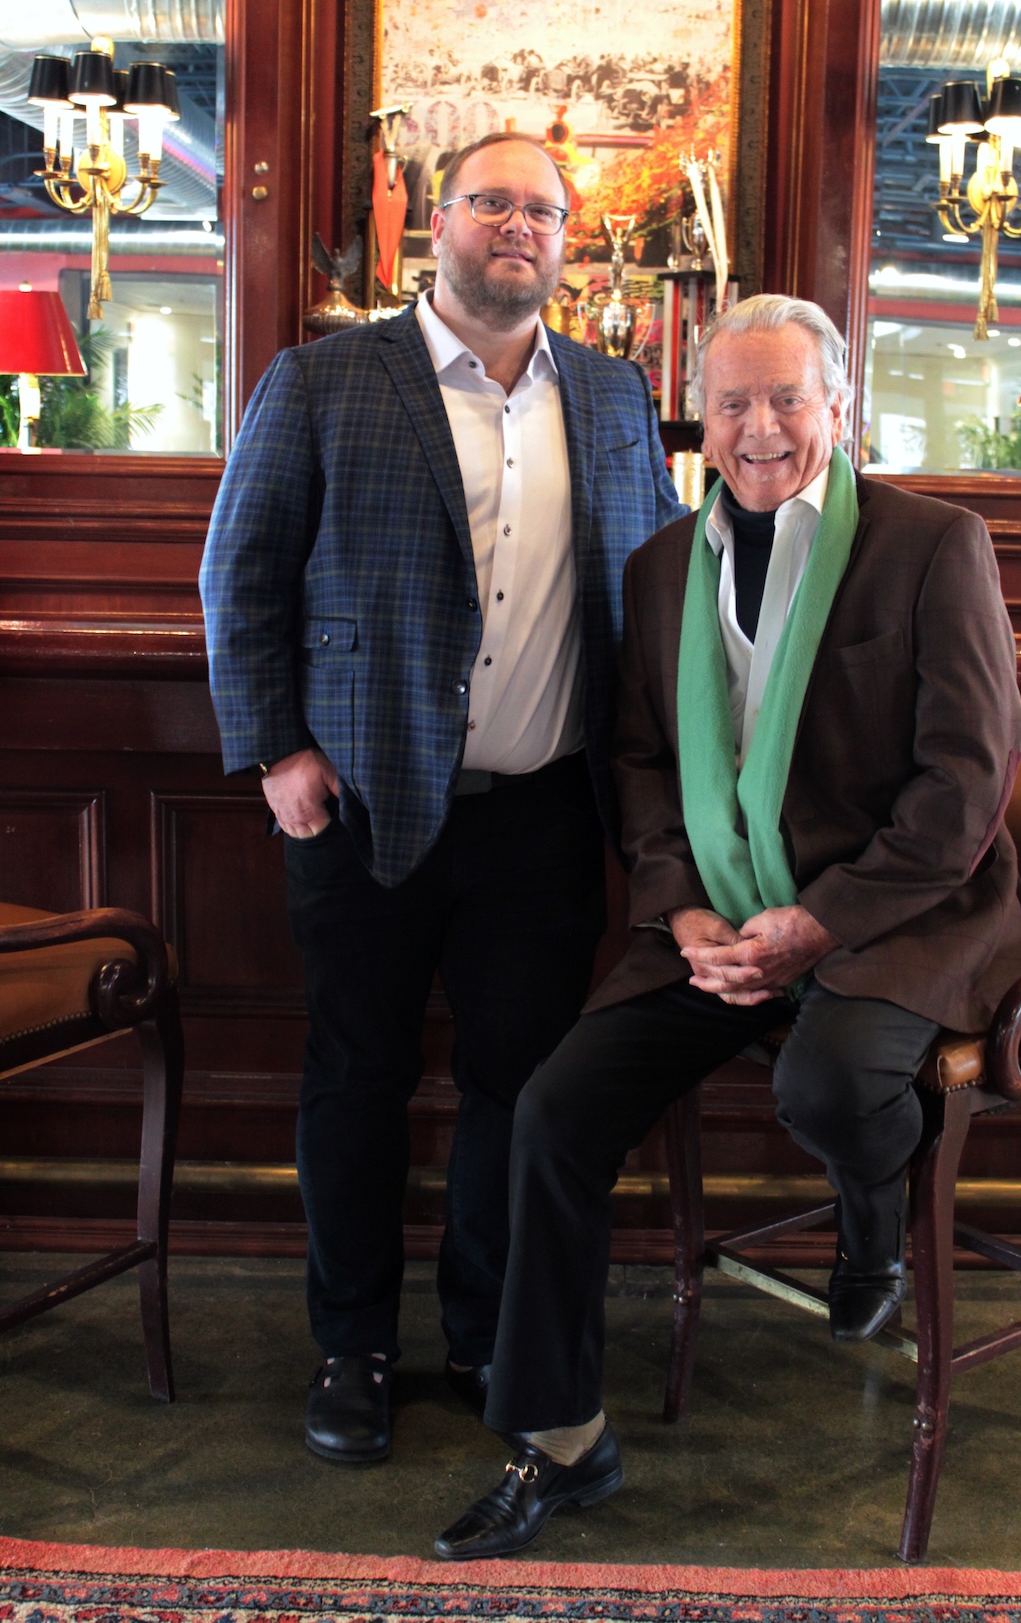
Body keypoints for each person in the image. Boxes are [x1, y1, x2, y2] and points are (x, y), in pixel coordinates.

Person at [434, 293, 1021, 1560]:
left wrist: (820, 923)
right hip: (715, 912)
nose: (759, 428)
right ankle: (561, 1439)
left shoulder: (935, 545)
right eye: (731, 404)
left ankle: (872, 1210)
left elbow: (964, 786)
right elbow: (639, 762)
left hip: (897, 908)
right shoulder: (661, 567)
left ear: (838, 407)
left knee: (829, 1086)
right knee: (553, 1111)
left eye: (786, 399)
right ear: (698, 421)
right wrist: (682, 906)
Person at [199, 131, 684, 1466]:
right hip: (360, 805)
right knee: (357, 1078)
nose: (518, 226)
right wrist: (278, 751)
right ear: (438, 224)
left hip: (544, 816)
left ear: (566, 240)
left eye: (543, 210)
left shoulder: (612, 393)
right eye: (491, 203)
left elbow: (654, 583)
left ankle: (483, 1337)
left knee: (515, 1089)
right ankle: (351, 1347)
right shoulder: (323, 378)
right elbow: (241, 572)